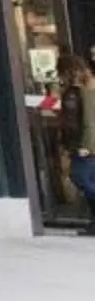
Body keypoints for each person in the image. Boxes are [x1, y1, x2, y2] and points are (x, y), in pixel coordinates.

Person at [64, 53, 95, 237]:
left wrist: (85, 145)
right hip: (83, 144)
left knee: (80, 176)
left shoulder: (86, 91)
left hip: (86, 146)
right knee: (86, 179)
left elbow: (89, 121)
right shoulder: (77, 90)